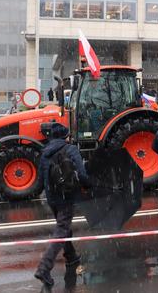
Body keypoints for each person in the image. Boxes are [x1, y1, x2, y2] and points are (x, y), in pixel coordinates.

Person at [35, 123, 92, 290]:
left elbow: (40, 180)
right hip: (66, 196)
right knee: (61, 229)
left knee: (64, 227)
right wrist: (89, 185)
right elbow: (81, 174)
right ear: (64, 136)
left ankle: (71, 255)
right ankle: (44, 268)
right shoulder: (71, 149)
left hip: (52, 198)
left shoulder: (44, 152)